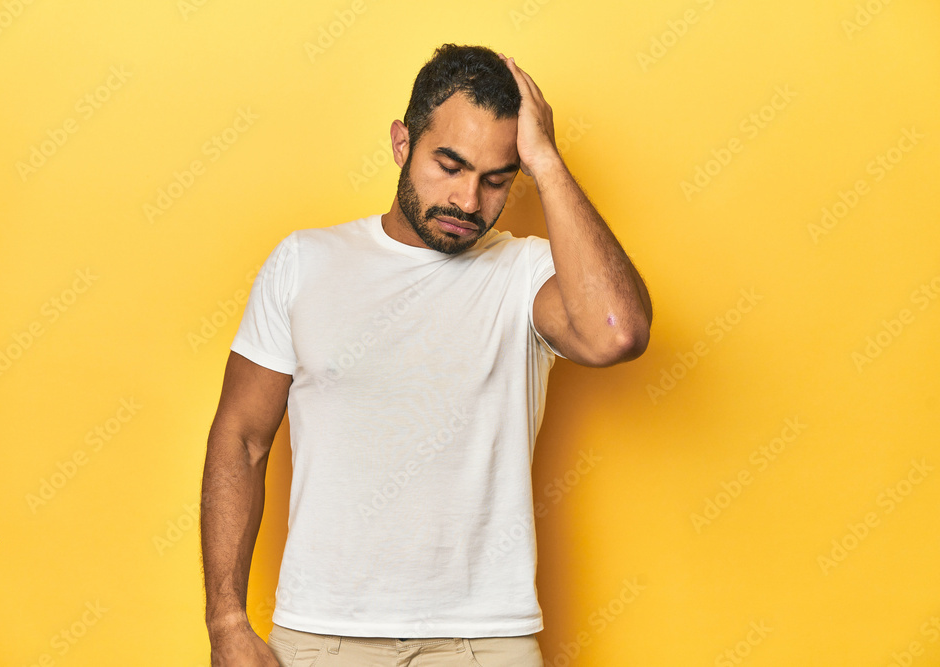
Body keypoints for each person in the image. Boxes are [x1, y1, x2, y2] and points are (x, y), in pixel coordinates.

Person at [201, 43, 653, 667]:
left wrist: (547, 162)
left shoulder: (527, 275)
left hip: (483, 640)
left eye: (498, 179)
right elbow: (242, 438)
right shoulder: (304, 262)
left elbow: (617, 333)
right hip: (324, 635)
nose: (470, 202)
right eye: (450, 165)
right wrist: (226, 620)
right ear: (401, 143)